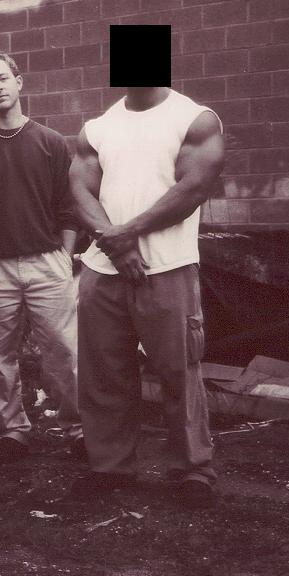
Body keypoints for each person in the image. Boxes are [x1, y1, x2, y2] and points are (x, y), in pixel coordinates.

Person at [69, 84, 225, 508]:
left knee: (179, 373)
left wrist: (127, 233)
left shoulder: (194, 119)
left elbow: (194, 188)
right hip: (104, 269)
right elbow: (79, 190)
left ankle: (193, 470)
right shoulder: (98, 128)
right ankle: (110, 466)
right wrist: (115, 245)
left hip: (168, 266)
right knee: (104, 374)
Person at [0, 50, 83, 463]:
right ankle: (11, 430)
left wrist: (65, 257)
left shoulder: (50, 141)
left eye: (3, 78)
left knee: (65, 352)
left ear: (19, 82)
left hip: (47, 261)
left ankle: (79, 428)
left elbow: (68, 207)